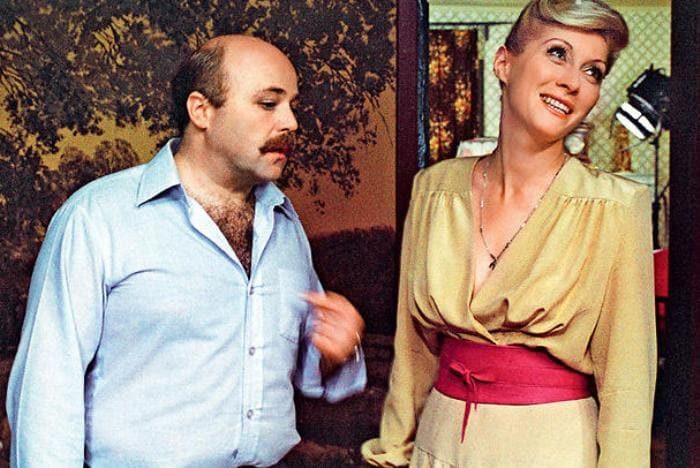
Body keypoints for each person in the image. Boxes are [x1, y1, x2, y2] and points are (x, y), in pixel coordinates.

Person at [6, 35, 366, 467]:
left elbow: (294, 368)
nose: (290, 122)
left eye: (292, 105)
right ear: (202, 110)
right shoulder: (97, 218)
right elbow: (46, 388)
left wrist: (334, 351)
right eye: (269, 104)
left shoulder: (284, 224)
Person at [362, 1, 655, 466]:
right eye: (557, 53)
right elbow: (413, 353)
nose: (573, 81)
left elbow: (628, 385)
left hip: (552, 451)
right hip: (439, 443)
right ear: (504, 63)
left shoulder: (616, 207)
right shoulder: (434, 189)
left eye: (593, 71)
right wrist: (394, 454)